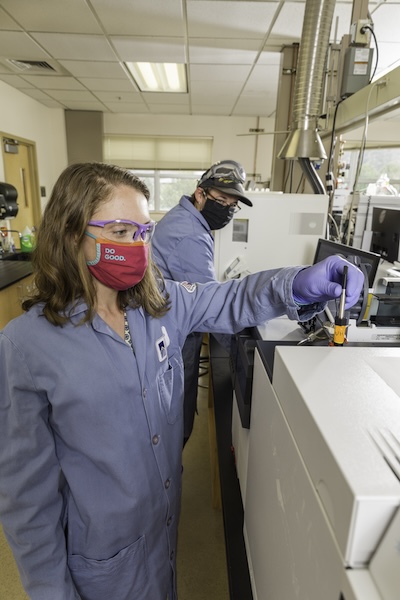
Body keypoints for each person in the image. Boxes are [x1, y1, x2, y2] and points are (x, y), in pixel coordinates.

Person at [0, 162, 364, 600]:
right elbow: (27, 501)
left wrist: (299, 284)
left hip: (162, 538)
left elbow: (231, 297)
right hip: (103, 566)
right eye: (119, 231)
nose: (135, 245)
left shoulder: (160, 304)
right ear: (72, 233)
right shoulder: (26, 346)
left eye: (142, 231)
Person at [152, 160, 252, 445]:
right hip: (173, 337)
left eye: (233, 205)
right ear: (200, 194)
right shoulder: (189, 234)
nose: (227, 210)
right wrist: (246, 362)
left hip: (171, 328)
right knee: (175, 423)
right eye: (221, 200)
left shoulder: (188, 219)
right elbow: (210, 307)